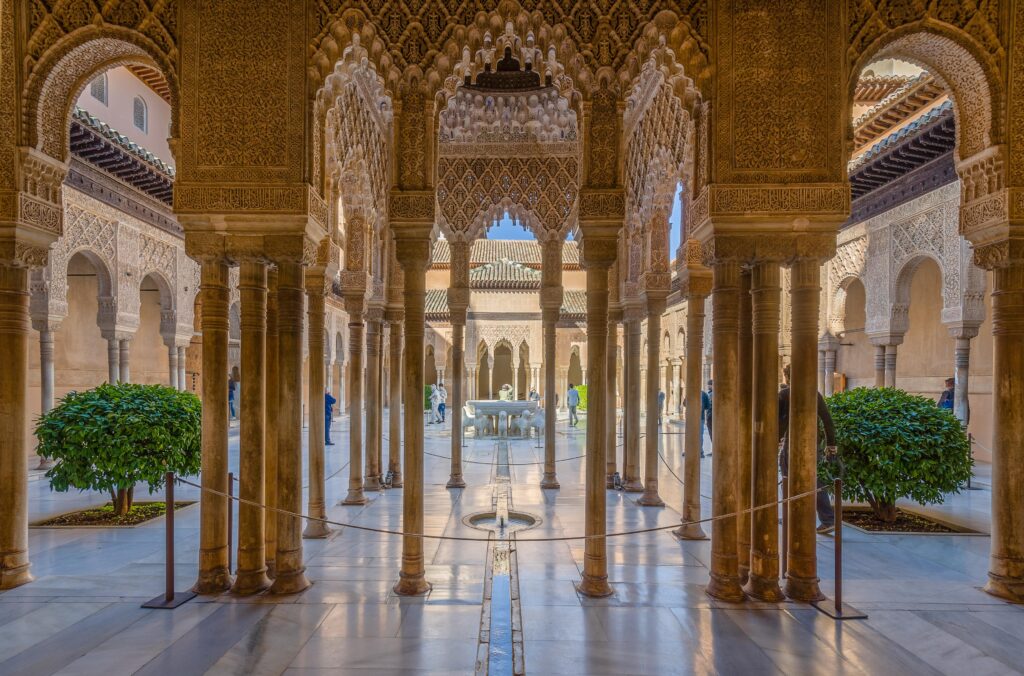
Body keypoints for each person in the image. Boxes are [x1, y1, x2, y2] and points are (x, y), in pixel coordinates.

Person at [778, 364, 837, 534]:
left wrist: (775, 439)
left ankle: (791, 516)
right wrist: (831, 445)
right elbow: (827, 420)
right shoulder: (814, 394)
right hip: (813, 442)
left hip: (792, 441)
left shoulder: (785, 394)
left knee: (787, 477)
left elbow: (779, 421)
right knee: (814, 478)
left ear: (788, 377)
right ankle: (828, 519)